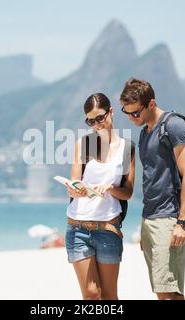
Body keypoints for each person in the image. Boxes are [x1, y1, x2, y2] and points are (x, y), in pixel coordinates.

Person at [120, 78, 185, 300]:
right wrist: (145, 224)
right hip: (150, 220)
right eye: (127, 113)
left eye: (136, 113)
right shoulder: (145, 132)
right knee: (164, 293)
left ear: (151, 104)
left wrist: (183, 222)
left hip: (169, 218)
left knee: (168, 293)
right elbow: (151, 179)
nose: (132, 118)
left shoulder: (173, 126)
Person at [65, 93, 135, 300]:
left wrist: (111, 188)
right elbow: (73, 183)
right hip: (78, 227)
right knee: (91, 294)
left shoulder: (127, 148)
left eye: (100, 118)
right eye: (91, 120)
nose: (96, 125)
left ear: (111, 112)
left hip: (108, 229)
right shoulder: (83, 144)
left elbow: (128, 192)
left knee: (110, 297)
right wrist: (75, 189)